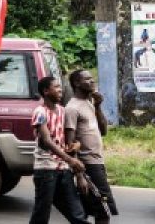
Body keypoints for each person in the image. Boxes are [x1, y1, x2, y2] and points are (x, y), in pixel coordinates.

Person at [29, 76, 90, 224]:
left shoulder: (63, 111)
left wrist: (76, 146)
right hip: (46, 170)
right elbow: (46, 141)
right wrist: (71, 160)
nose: (60, 89)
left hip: (63, 169)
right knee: (41, 215)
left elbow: (68, 141)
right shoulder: (40, 112)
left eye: (60, 87)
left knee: (77, 214)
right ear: (45, 91)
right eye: (56, 87)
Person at [65, 70, 119, 224]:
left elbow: (103, 131)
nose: (92, 81)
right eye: (87, 79)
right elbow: (70, 144)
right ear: (76, 83)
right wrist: (80, 175)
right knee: (103, 210)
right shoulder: (72, 108)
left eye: (92, 78)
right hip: (88, 166)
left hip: (97, 163)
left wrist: (98, 106)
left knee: (91, 209)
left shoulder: (89, 103)